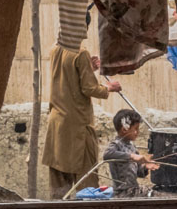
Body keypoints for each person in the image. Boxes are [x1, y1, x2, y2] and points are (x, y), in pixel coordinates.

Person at [42, 47, 122, 199]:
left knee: (59, 184)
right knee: (87, 183)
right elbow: (89, 88)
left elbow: (69, 81)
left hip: (57, 124)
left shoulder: (56, 49)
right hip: (78, 126)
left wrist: (87, 68)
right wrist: (108, 88)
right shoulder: (80, 52)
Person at [103, 109, 159, 197]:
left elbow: (139, 173)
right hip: (122, 192)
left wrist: (145, 167)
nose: (138, 132)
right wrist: (132, 156)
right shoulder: (117, 144)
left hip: (133, 190)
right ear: (124, 129)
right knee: (154, 195)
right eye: (135, 129)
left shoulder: (132, 146)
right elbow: (107, 155)